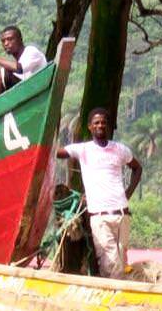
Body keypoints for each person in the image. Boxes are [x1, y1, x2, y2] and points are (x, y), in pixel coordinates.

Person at [56, 108, 143, 278]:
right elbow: (59, 153)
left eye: (103, 122)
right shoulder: (83, 149)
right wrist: (39, 142)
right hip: (100, 217)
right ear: (90, 127)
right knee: (111, 263)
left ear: (108, 126)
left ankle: (116, 298)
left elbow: (137, 168)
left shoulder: (120, 149)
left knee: (121, 263)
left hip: (122, 215)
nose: (100, 125)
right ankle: (116, 299)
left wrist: (128, 194)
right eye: (96, 122)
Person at [0, 25, 48, 105]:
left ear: (20, 40)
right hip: (26, 94)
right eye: (3, 41)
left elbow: (20, 68)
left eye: (10, 39)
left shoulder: (31, 51)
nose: (6, 43)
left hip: (37, 95)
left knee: (3, 72)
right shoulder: (18, 61)